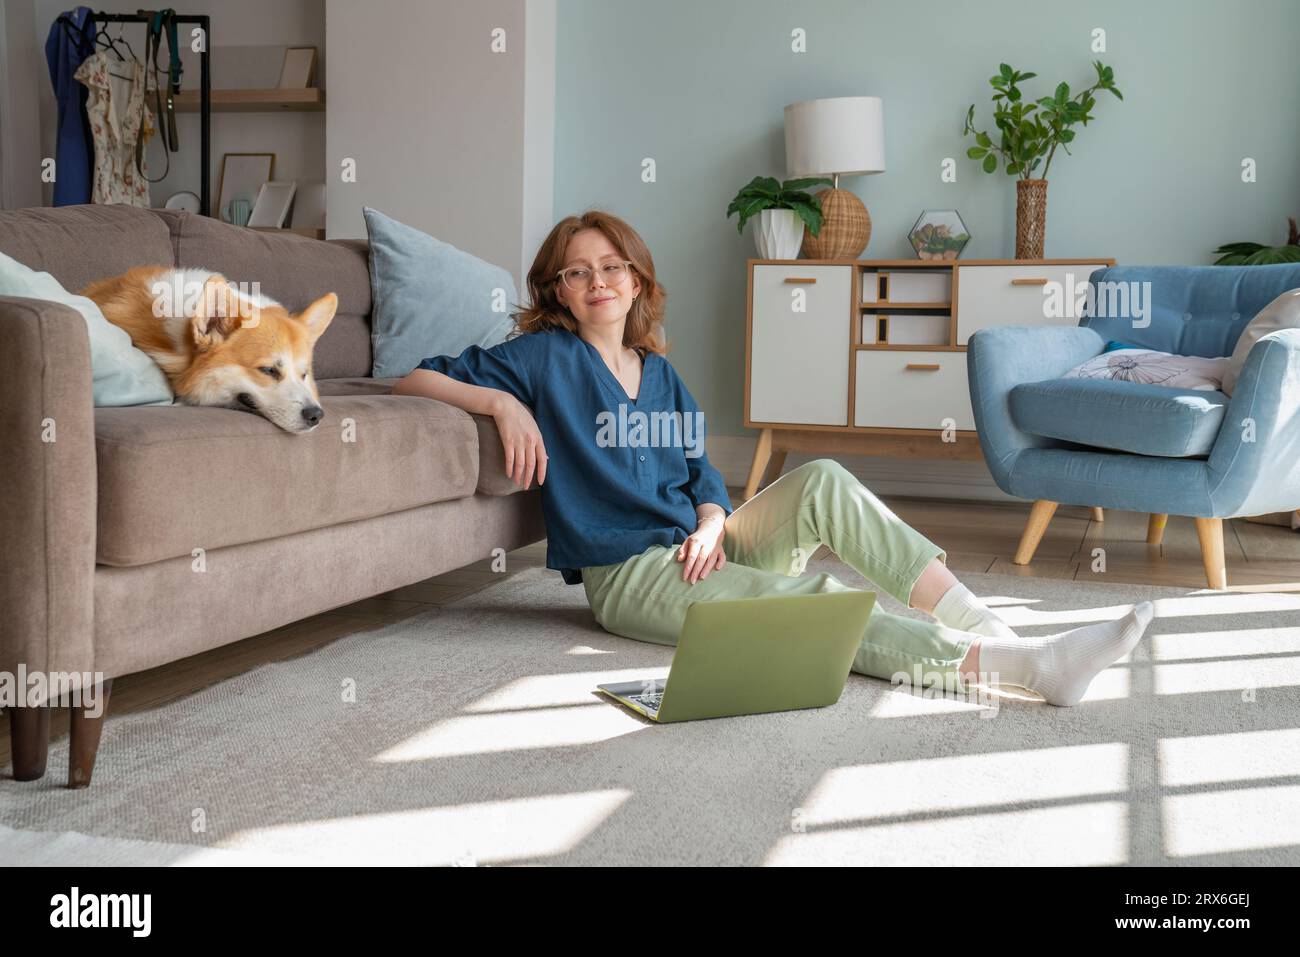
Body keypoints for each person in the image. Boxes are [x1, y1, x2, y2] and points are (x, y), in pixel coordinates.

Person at [393, 210, 1153, 707]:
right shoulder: (541, 357)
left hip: (699, 547)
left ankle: (988, 623)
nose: (597, 280)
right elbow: (414, 376)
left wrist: (713, 520)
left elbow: (699, 472)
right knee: (816, 602)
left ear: (637, 279)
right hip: (630, 576)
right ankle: (1023, 669)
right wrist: (501, 402)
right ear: (556, 291)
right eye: (577, 270)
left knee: (820, 477)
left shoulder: (660, 373)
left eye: (611, 265)